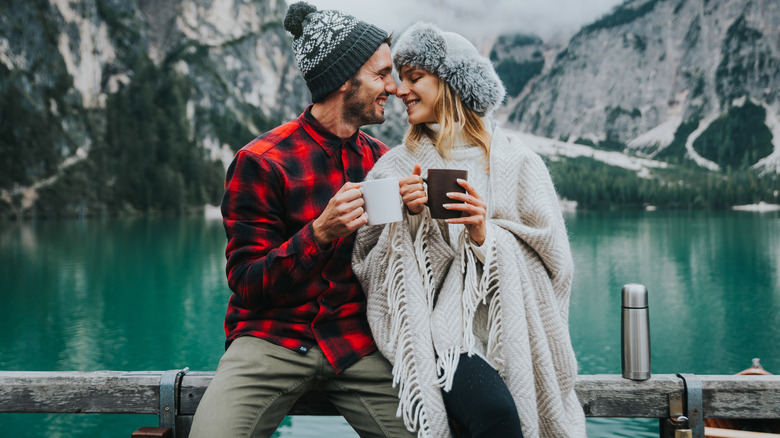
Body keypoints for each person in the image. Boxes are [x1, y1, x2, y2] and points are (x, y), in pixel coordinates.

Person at [352, 22, 588, 438]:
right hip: (442, 335)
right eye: (398, 78)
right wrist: (409, 222)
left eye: (415, 78)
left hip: (515, 330)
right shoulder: (394, 167)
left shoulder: (518, 162)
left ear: (451, 82)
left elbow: (557, 263)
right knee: (495, 414)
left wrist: (485, 236)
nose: (399, 90)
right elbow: (365, 265)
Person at [189, 3, 415, 437]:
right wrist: (318, 234)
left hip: (356, 342)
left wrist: (415, 215)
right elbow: (247, 282)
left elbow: (394, 265)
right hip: (270, 339)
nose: (394, 86)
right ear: (344, 80)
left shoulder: (382, 161)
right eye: (382, 74)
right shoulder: (261, 162)